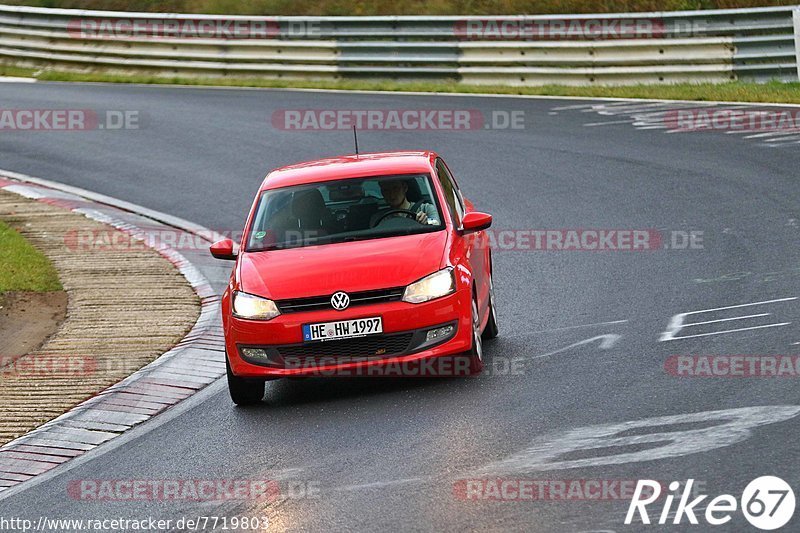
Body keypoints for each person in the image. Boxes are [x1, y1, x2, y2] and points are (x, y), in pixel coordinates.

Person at [371, 179, 440, 227]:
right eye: (386, 190)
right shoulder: (378, 218)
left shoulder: (426, 209)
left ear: (405, 188)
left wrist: (426, 221)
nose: (391, 194)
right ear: (382, 193)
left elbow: (437, 223)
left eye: (395, 188)